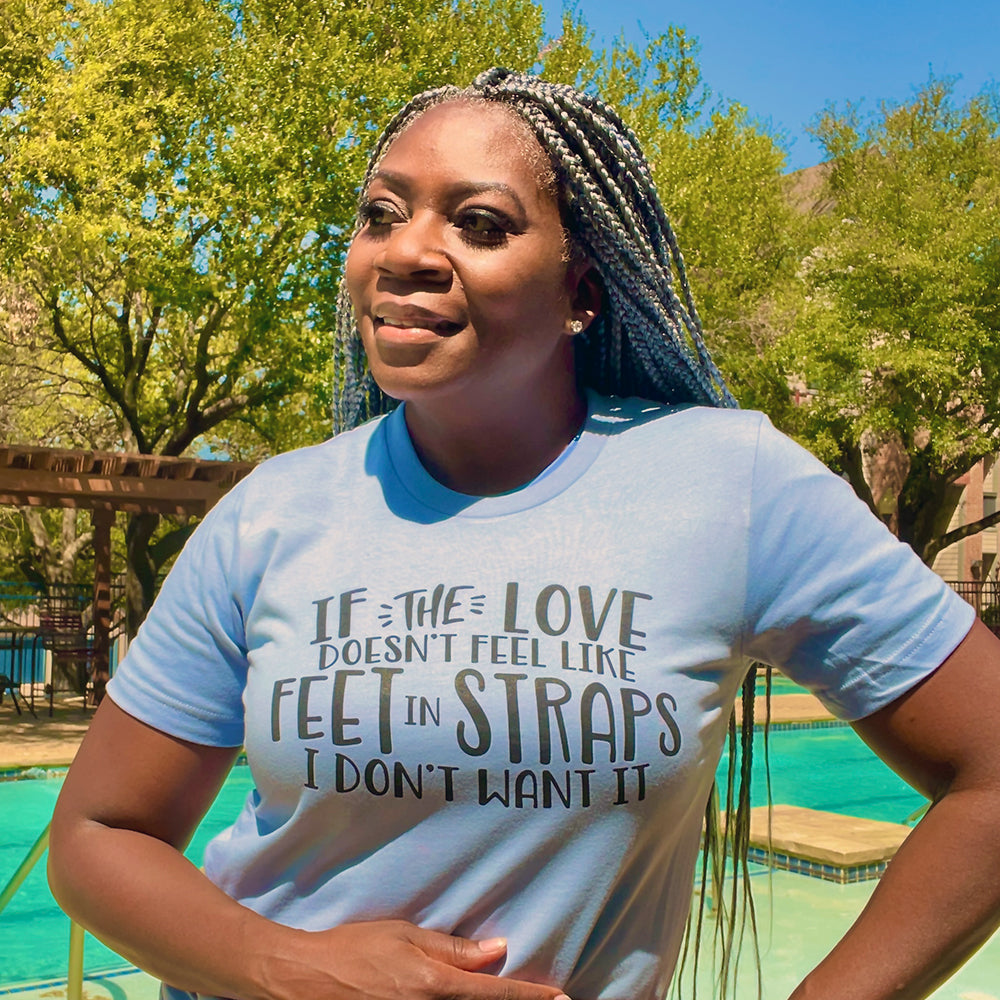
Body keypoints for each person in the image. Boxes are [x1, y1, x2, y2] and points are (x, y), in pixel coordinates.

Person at [48, 68, 1000, 1000]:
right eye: (382, 213)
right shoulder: (273, 511)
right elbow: (97, 837)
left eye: (479, 223)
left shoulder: (731, 484)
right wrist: (290, 968)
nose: (405, 251)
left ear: (580, 289)